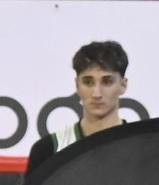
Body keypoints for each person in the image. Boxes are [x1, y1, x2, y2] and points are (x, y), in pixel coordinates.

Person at [25, 41, 130, 175]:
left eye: (107, 81)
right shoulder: (48, 149)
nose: (96, 93)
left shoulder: (141, 148)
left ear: (123, 85)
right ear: (77, 85)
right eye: (88, 82)